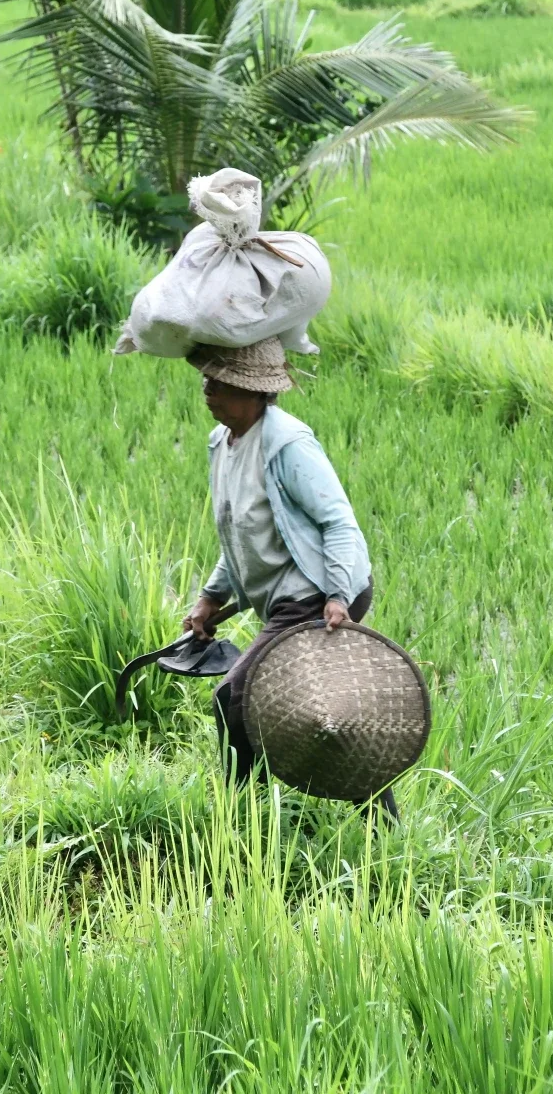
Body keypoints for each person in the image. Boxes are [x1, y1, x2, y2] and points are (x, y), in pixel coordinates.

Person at [181, 338, 389, 812]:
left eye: (221, 381)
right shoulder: (223, 443)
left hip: (316, 593)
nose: (208, 388)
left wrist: (336, 593)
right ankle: (379, 818)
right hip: (285, 598)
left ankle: (243, 818)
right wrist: (211, 596)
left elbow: (337, 520)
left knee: (236, 695)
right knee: (331, 712)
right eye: (207, 378)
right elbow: (239, 530)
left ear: (253, 391)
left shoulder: (287, 443)